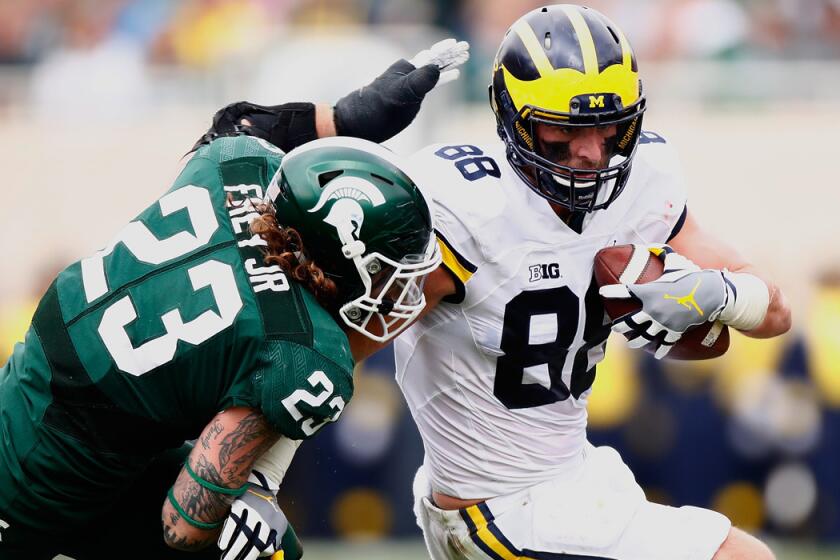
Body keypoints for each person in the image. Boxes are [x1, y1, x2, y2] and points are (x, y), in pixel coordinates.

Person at [220, 5, 792, 560]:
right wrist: (260, 479)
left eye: (609, 126)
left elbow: (775, 313)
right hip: (495, 509)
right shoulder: (467, 210)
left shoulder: (645, 177)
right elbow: (333, 353)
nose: (592, 153)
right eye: (562, 131)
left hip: (578, 477)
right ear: (513, 119)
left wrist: (713, 294)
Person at [0, 37, 471, 559]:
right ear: (343, 260)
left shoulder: (235, 162)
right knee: (258, 547)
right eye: (386, 269)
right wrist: (247, 492)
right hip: (43, 485)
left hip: (30, 395)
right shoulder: (301, 351)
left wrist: (349, 116)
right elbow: (184, 525)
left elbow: (245, 124)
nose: (397, 290)